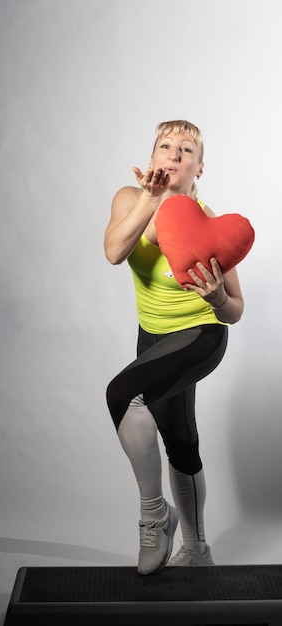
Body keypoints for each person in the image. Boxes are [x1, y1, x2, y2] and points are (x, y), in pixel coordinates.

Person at [104, 120, 244, 575]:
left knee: (122, 394)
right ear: (152, 158)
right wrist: (150, 198)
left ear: (199, 166)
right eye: (166, 146)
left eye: (187, 149)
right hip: (154, 336)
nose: (175, 154)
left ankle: (153, 516)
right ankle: (198, 549)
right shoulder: (130, 198)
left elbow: (236, 309)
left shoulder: (208, 222)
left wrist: (217, 297)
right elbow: (114, 252)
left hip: (202, 334)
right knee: (179, 441)